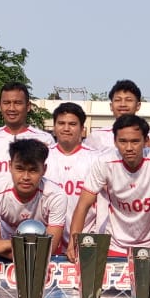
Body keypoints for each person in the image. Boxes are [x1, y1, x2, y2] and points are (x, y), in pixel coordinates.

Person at [68, 114, 150, 263]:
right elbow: (83, 204)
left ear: (146, 141)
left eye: (135, 141)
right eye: (123, 141)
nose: (129, 148)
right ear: (115, 142)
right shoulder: (104, 162)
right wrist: (73, 244)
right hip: (116, 244)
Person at [0, 82, 53, 209]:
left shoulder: (45, 139)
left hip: (34, 213)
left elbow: (49, 177)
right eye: (6, 103)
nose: (12, 108)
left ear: (28, 106)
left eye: (18, 103)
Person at [0, 139, 68, 258]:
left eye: (33, 170)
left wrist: (6, 245)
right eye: (20, 169)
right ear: (10, 166)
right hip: (5, 257)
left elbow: (49, 249)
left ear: (44, 169)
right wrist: (30, 248)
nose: (26, 177)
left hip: (38, 260)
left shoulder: (56, 196)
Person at [46, 101, 103, 246]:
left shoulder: (96, 159)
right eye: (61, 123)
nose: (66, 128)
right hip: (49, 238)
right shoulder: (42, 157)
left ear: (82, 129)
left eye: (72, 124)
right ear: (54, 127)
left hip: (85, 238)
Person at [85, 79, 150, 152]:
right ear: (111, 106)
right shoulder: (96, 137)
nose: (123, 104)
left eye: (128, 100)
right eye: (118, 100)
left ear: (138, 106)